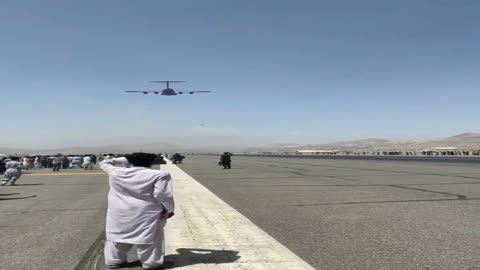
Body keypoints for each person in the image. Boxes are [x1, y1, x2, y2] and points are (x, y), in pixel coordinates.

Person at [100, 153, 175, 270]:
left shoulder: (116, 172)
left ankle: (115, 261)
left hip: (119, 211)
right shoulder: (159, 175)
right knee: (150, 238)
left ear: (130, 161)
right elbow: (163, 195)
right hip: (146, 212)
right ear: (151, 162)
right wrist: (169, 209)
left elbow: (104, 163)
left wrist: (125, 158)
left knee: (117, 235)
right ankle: (152, 264)